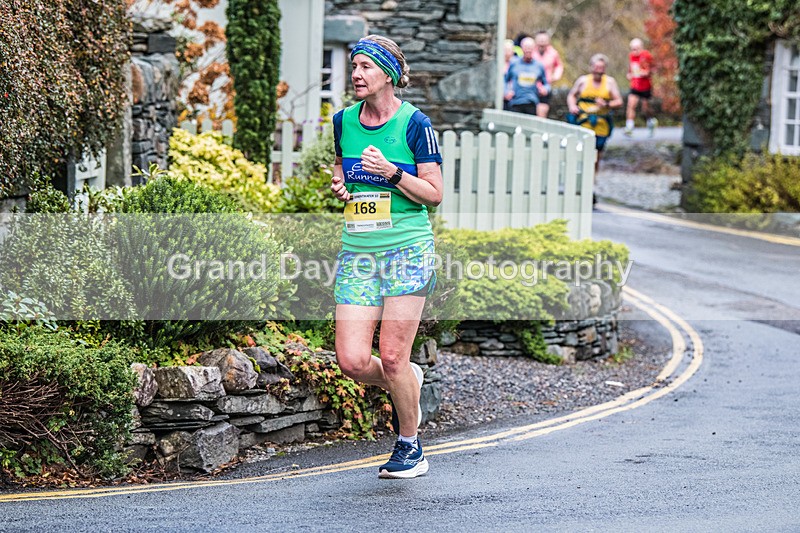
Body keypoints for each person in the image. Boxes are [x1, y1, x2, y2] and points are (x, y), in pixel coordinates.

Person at [329, 35, 443, 479]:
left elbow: (434, 195)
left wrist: (393, 174)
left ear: (389, 74)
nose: (355, 74)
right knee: (353, 361)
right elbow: (343, 167)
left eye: (365, 67)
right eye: (353, 66)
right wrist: (341, 185)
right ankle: (406, 380)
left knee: (393, 356)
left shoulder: (415, 124)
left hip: (407, 249)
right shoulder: (342, 121)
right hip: (358, 251)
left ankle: (409, 446)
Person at [566, 53, 623, 175]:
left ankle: (592, 180)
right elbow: (571, 95)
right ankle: (578, 174)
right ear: (591, 67)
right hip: (583, 121)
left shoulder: (610, 82)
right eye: (596, 67)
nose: (599, 70)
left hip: (601, 123)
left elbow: (619, 101)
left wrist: (607, 104)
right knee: (581, 150)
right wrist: (572, 106)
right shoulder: (583, 81)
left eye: (601, 68)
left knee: (597, 154)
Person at [505, 37, 550, 116]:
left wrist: (545, 89)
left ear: (534, 49)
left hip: (531, 102)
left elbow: (546, 84)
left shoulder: (539, 65)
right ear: (522, 48)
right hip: (515, 102)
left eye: (530, 48)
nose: (528, 50)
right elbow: (505, 80)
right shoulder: (514, 63)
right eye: (526, 48)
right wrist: (506, 92)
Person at [625, 38, 657, 137]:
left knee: (645, 108)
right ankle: (629, 126)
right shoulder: (631, 56)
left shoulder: (647, 55)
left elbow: (654, 68)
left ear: (641, 48)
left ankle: (651, 121)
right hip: (635, 85)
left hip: (645, 85)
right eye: (632, 49)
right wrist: (629, 74)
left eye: (636, 49)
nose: (634, 51)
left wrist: (647, 73)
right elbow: (631, 69)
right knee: (631, 104)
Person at [531, 31, 564, 118]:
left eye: (544, 40)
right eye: (540, 40)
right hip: (531, 86)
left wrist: (555, 76)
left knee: (542, 110)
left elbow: (559, 66)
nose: (542, 42)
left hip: (546, 86)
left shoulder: (553, 53)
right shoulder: (531, 52)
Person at [503, 39, 519, 111]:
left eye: (509, 50)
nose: (507, 52)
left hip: (515, 97)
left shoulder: (518, 64)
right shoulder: (497, 64)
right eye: (505, 50)